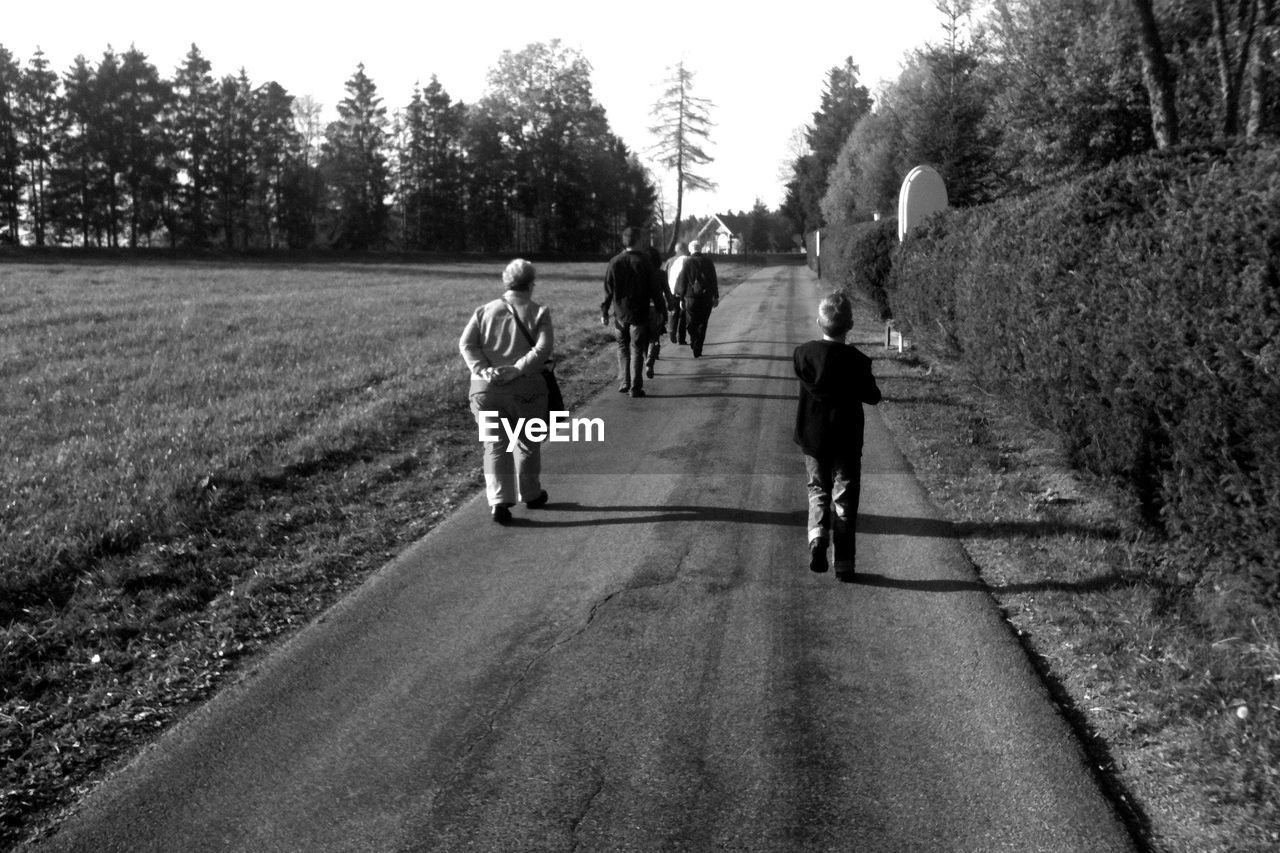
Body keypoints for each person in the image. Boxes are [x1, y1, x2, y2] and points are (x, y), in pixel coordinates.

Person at [792, 290, 882, 580]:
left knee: (817, 490)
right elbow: (872, 396)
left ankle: (817, 538)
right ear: (850, 325)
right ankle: (844, 564)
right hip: (846, 439)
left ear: (820, 322)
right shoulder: (858, 361)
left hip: (813, 438)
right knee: (845, 501)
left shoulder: (804, 355)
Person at [459, 258, 553, 524]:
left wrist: (484, 369)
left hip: (485, 390)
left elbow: (466, 344)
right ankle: (531, 493)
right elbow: (543, 350)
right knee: (526, 443)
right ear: (531, 284)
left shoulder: (483, 311)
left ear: (505, 281)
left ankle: (499, 500)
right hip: (527, 390)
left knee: (495, 444)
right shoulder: (539, 312)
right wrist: (517, 369)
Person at [601, 226, 666, 397]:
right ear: (637, 241)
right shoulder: (644, 261)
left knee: (622, 347)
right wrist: (660, 309)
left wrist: (604, 312)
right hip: (639, 313)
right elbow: (654, 288)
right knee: (637, 348)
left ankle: (624, 381)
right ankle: (636, 388)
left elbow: (608, 289)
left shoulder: (614, 261)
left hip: (620, 314)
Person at [675, 239, 719, 358]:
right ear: (700, 249)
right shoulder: (708, 262)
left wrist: (681, 298)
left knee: (691, 322)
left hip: (691, 298)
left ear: (690, 249)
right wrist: (716, 296)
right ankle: (698, 347)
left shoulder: (687, 262)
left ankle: (693, 340)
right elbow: (713, 280)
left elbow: (683, 280)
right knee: (703, 323)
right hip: (706, 297)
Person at [663, 241, 691, 345]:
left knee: (672, 312)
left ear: (676, 249)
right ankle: (681, 338)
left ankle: (671, 330)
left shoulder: (669, 261)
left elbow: (664, 276)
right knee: (683, 315)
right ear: (684, 250)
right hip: (683, 291)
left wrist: (664, 290)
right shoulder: (688, 260)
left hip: (670, 291)